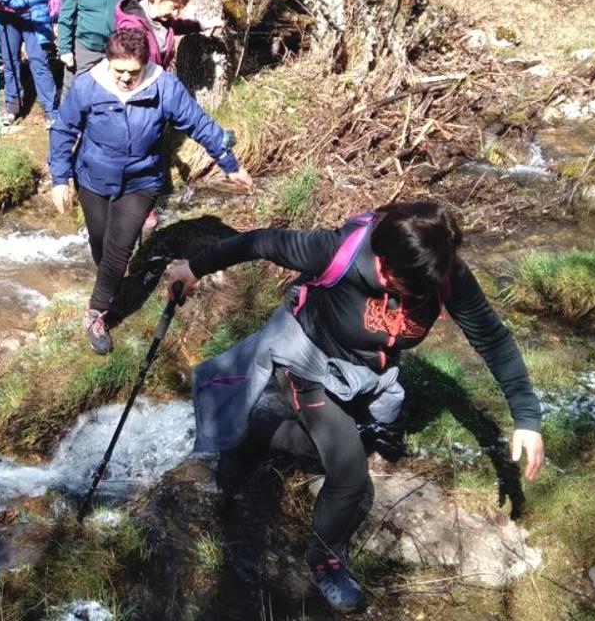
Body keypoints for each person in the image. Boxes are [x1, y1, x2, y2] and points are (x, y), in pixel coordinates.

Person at [163, 200, 545, 613]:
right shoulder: (337, 251)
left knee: (319, 447)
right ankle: (325, 559)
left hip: (363, 371)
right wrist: (193, 269)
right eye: (401, 285)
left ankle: (258, 437)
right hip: (306, 359)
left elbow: (491, 337)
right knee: (349, 471)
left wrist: (526, 417)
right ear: (383, 261)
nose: (410, 296)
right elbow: (259, 242)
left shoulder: (442, 272)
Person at [50, 28, 254, 354]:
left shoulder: (165, 87)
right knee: (100, 242)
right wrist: (59, 178)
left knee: (119, 249)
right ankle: (111, 285)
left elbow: (199, 124)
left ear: (145, 64)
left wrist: (230, 165)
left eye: (134, 72)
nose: (127, 79)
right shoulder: (88, 85)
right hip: (92, 177)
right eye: (120, 71)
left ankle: (96, 312)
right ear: (108, 61)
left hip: (141, 181)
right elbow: (64, 129)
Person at [113, 0, 222, 70]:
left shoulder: (162, 19)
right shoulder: (131, 26)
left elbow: (178, 26)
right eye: (173, 7)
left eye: (179, 9)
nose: (175, 14)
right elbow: (129, 67)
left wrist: (203, 24)